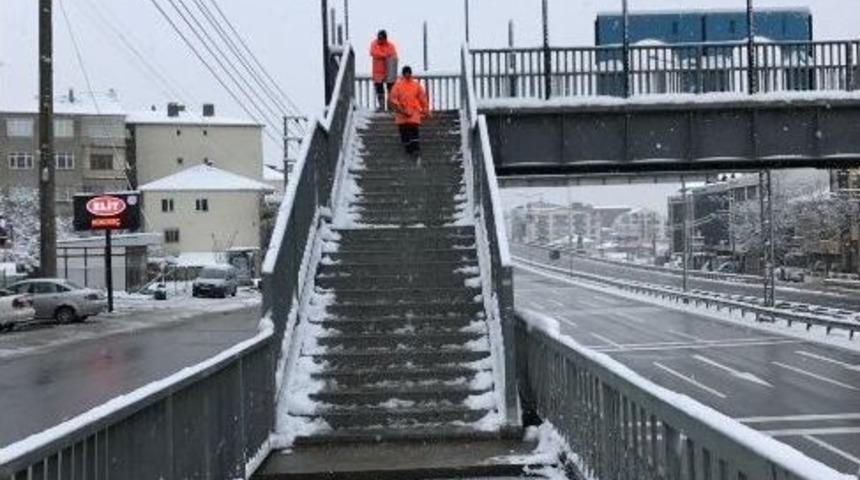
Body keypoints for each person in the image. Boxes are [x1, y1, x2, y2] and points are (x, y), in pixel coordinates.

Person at [388, 66, 429, 160]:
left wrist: (425, 109)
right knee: (404, 131)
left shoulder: (416, 85)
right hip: (401, 112)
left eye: (409, 73)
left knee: (414, 130)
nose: (408, 74)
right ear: (403, 74)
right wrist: (400, 108)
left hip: (413, 111)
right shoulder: (398, 85)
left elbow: (422, 98)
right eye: (406, 73)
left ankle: (415, 148)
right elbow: (393, 98)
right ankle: (409, 149)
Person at [369, 30, 398, 112]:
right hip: (377, 71)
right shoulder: (374, 44)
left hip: (389, 70)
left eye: (381, 38)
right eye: (379, 38)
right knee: (379, 89)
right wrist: (385, 55)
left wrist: (383, 55)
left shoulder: (391, 45)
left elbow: (393, 55)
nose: (380, 40)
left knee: (391, 90)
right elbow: (373, 52)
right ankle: (381, 107)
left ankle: (390, 107)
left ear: (385, 38)